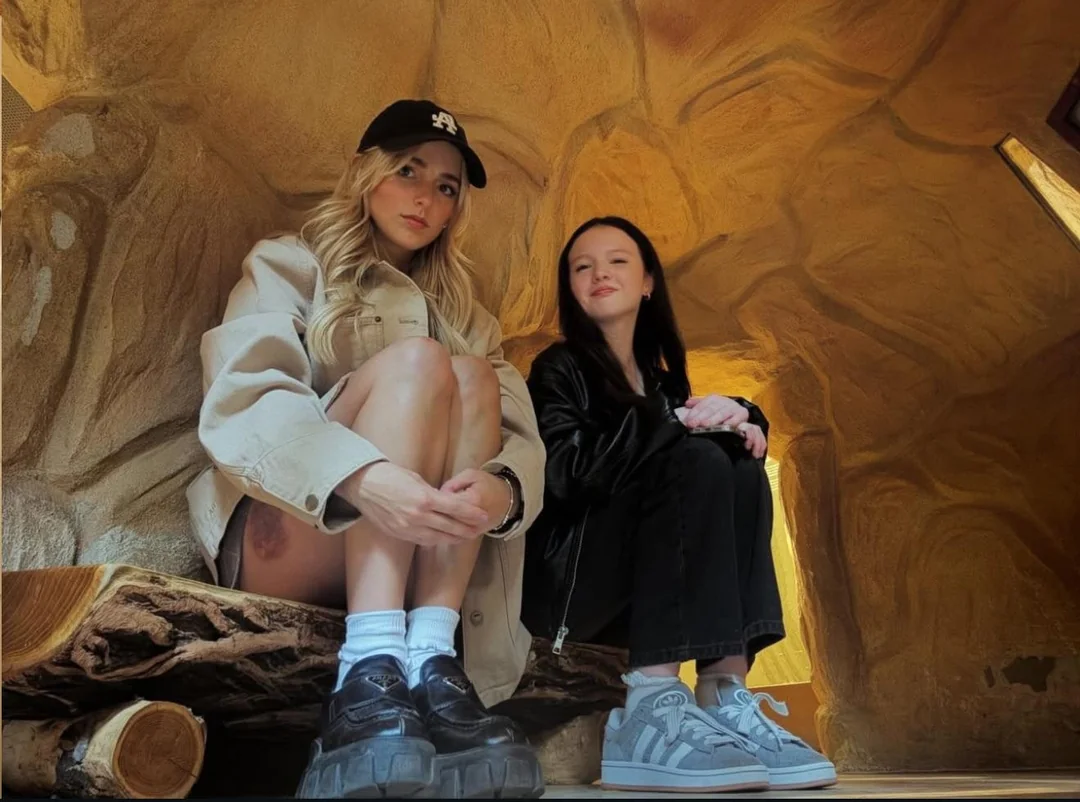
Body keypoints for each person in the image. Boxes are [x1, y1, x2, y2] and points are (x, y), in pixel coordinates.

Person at [186, 99, 546, 799]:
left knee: (471, 372)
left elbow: (520, 436)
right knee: (421, 363)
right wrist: (363, 477)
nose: (426, 197)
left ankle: (432, 660)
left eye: (446, 186)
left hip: (423, 555)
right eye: (408, 170)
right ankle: (368, 666)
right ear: (365, 172)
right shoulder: (290, 264)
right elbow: (246, 395)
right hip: (289, 534)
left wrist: (501, 490)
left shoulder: (468, 315)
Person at [521, 216, 837, 793]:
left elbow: (686, 455)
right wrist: (665, 422)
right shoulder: (558, 369)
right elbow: (564, 477)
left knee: (739, 465)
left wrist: (743, 415)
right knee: (695, 459)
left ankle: (724, 692)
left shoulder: (664, 382)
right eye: (582, 266)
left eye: (617, 260)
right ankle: (650, 702)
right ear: (570, 288)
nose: (598, 274)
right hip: (571, 592)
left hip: (649, 582)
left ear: (647, 282)